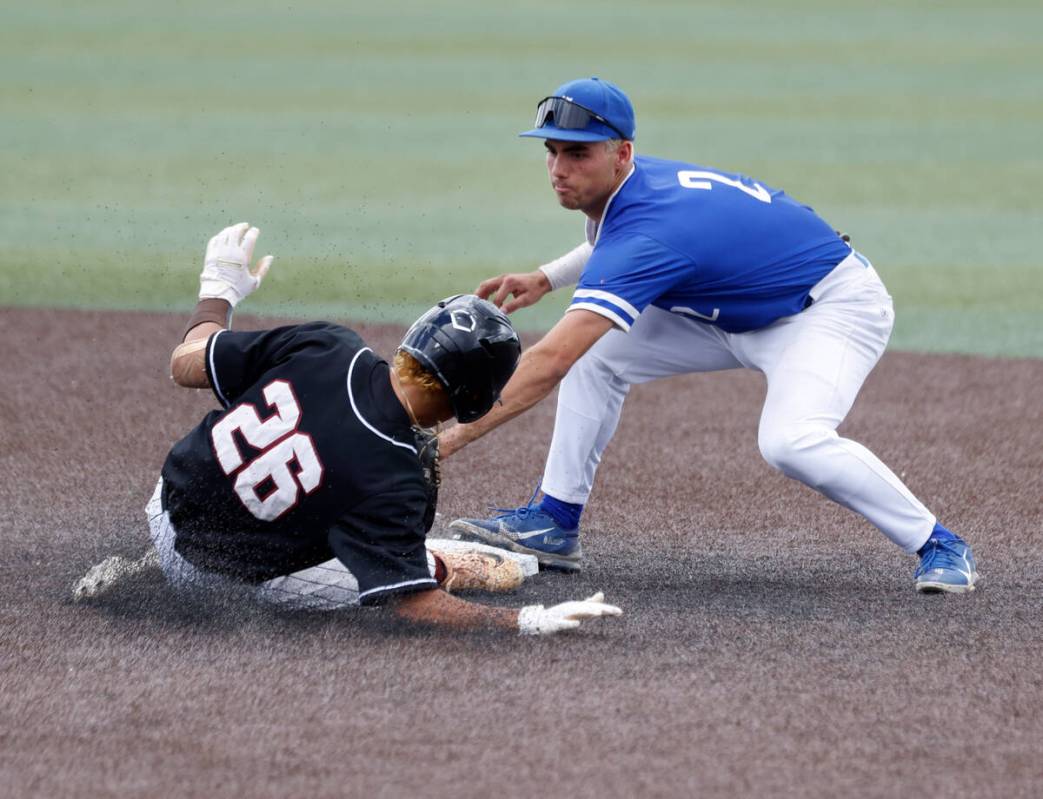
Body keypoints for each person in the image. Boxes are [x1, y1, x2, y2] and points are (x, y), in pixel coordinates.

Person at [444, 77, 978, 594]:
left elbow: (554, 355)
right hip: (735, 309)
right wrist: (547, 277)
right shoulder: (636, 191)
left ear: (621, 154)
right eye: (553, 151)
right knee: (598, 352)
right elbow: (617, 248)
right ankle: (554, 521)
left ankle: (940, 543)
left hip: (828, 311)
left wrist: (446, 441)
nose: (559, 169)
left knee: (791, 442)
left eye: (578, 154)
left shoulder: (653, 228)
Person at [144, 222, 623, 635]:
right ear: (474, 400)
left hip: (163, 506)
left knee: (361, 523)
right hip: (212, 581)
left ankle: (413, 555)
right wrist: (523, 621)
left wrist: (218, 290)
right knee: (414, 572)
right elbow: (413, 605)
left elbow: (185, 365)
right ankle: (431, 560)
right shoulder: (395, 476)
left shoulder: (327, 346)